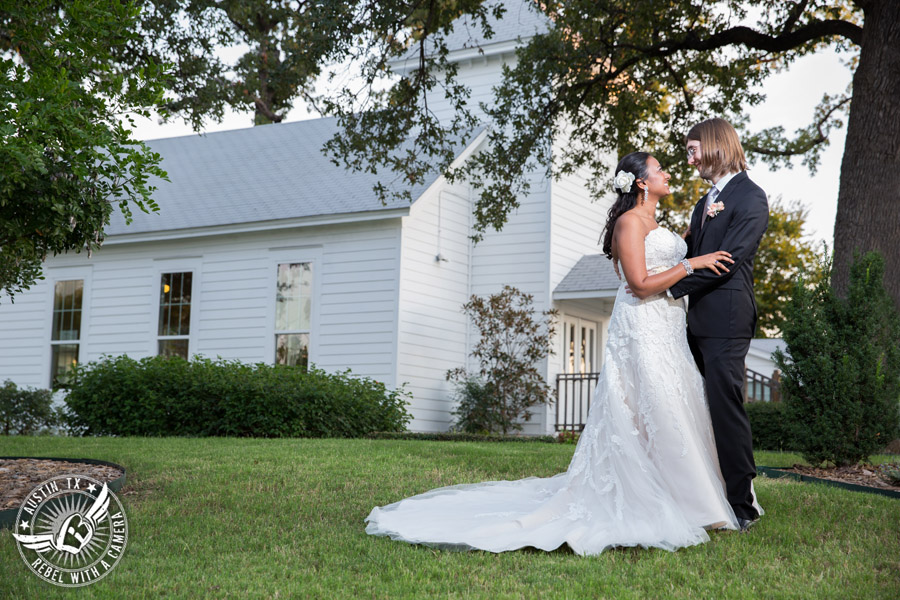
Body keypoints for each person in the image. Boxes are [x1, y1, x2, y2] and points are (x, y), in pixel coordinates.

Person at [365, 151, 750, 556]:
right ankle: (660, 499)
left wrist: (700, 236)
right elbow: (638, 283)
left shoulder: (657, 224)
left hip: (669, 327)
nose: (667, 173)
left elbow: (674, 255)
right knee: (651, 406)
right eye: (659, 170)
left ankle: (692, 497)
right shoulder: (628, 223)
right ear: (641, 182)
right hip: (642, 326)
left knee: (672, 405)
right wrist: (695, 264)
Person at [668, 118, 769, 531]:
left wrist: (665, 288)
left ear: (714, 146)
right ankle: (703, 493)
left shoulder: (751, 198)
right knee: (698, 407)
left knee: (726, 409)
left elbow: (726, 262)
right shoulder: (703, 201)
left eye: (693, 150)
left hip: (727, 320)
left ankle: (742, 505)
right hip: (696, 319)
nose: (690, 159)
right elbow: (694, 253)